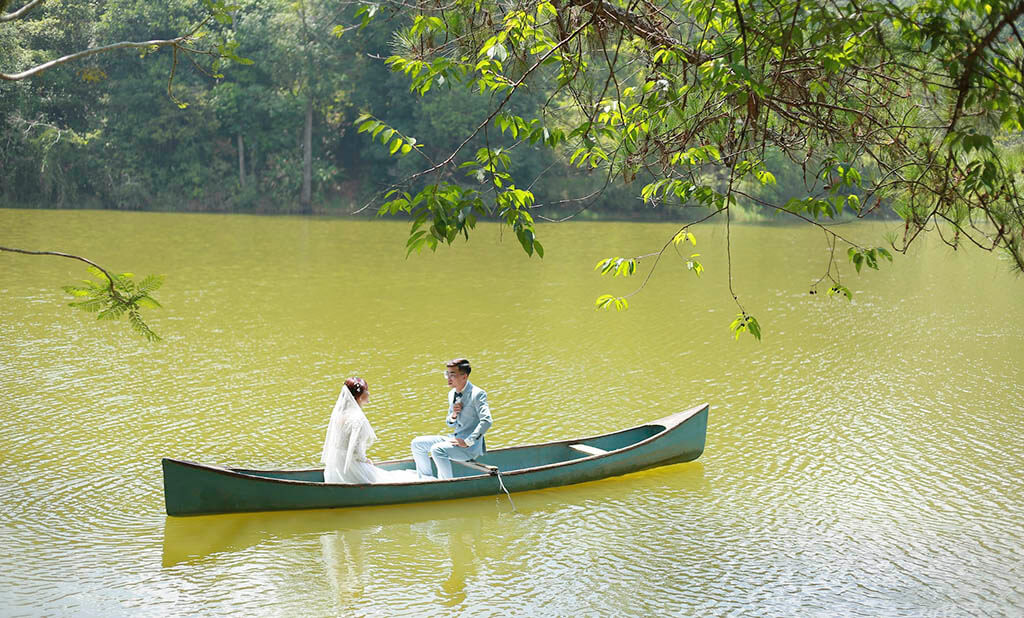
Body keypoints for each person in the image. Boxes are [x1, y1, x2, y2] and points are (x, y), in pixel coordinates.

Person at [321, 377, 420, 484]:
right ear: (360, 396)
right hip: (351, 467)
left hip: (335, 465)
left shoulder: (338, 414)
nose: (369, 394)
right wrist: (365, 461)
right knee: (390, 478)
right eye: (367, 392)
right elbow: (356, 449)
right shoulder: (357, 418)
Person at [411, 358, 492, 480]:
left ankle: (446, 483)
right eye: (447, 374)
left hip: (469, 447)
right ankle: (426, 479)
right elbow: (449, 423)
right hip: (454, 438)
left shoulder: (477, 394)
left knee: (437, 449)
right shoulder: (451, 394)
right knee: (417, 443)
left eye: (452, 375)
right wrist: (454, 415)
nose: (448, 378)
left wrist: (467, 441)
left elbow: (487, 421)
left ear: (464, 376)